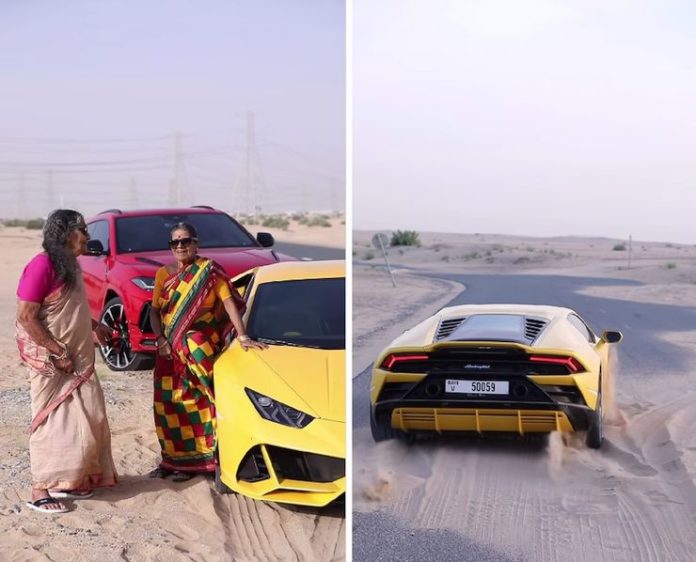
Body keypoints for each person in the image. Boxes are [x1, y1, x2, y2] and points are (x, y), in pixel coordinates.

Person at [16, 210, 117, 514]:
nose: (88, 236)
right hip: (52, 361)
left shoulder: (69, 266)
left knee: (87, 416)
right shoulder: (42, 265)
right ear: (66, 234)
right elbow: (26, 316)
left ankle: (70, 479)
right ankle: (40, 488)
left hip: (78, 359)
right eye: (83, 230)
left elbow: (75, 308)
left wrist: (97, 326)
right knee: (51, 421)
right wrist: (57, 352)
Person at [149, 222, 266, 480]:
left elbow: (229, 302)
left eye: (185, 241)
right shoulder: (162, 275)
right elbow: (155, 311)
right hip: (168, 351)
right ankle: (173, 461)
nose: (180, 246)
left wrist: (243, 335)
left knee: (202, 399)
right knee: (169, 405)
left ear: (196, 243)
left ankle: (203, 461)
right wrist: (160, 339)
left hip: (200, 349)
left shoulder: (210, 272)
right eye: (175, 242)